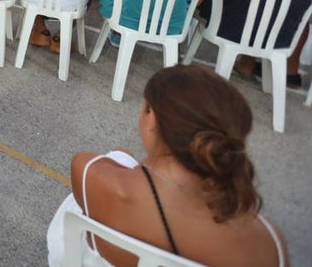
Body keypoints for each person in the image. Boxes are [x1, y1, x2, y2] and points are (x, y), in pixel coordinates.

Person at [51, 65, 288, 267]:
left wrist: (123, 159)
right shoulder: (269, 245)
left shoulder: (92, 172)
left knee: (116, 159)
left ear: (151, 117)